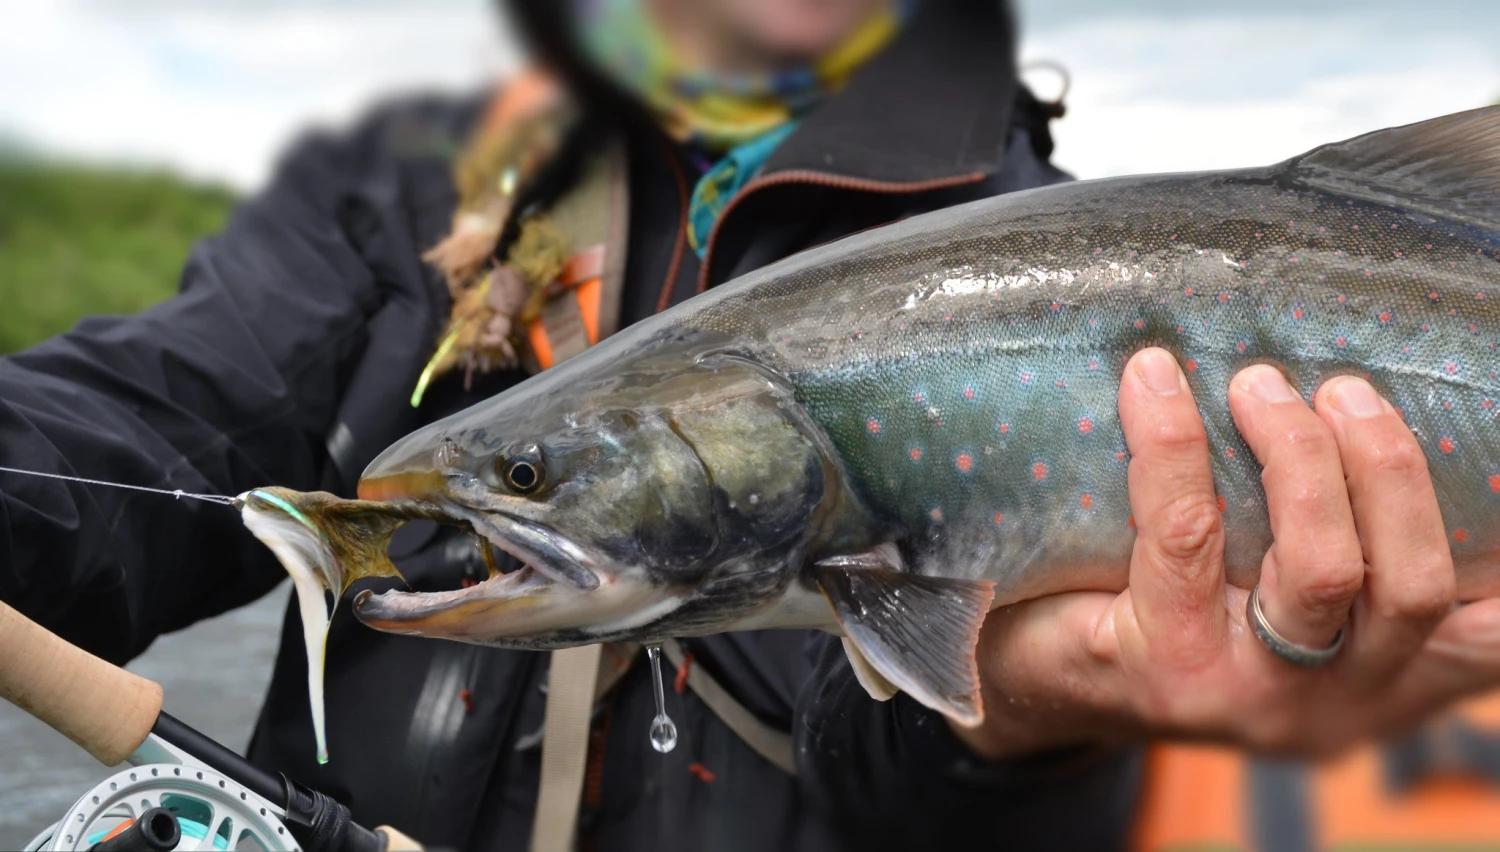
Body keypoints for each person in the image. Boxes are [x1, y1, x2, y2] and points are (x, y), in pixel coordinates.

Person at [3, 1, 1500, 850]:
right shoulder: (417, 194)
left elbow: (904, 786)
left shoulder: (1023, 217)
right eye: (527, 472)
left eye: (529, 475)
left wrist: (1023, 720)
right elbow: (139, 427)